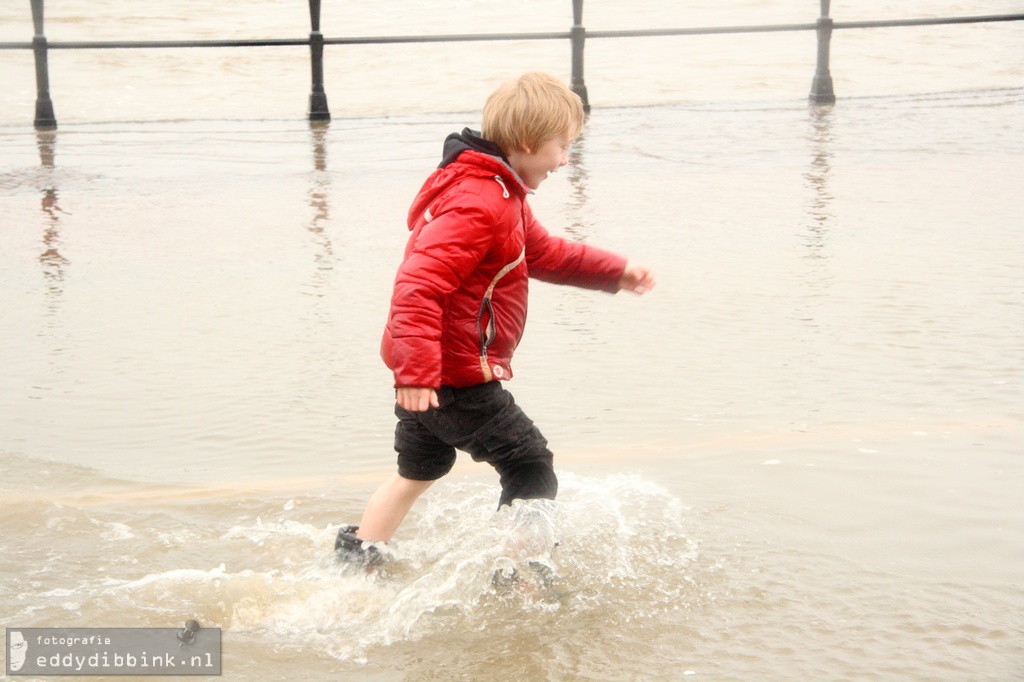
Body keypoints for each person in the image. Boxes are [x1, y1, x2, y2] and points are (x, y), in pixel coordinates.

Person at [336, 71, 655, 562]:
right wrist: (419, 373)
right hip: (452, 375)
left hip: (428, 373)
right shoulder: (480, 201)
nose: (565, 160)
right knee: (529, 465)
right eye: (562, 146)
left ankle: (356, 560)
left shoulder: (499, 193)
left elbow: (544, 254)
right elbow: (417, 285)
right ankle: (517, 577)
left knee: (419, 470)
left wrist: (615, 272)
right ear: (527, 142)